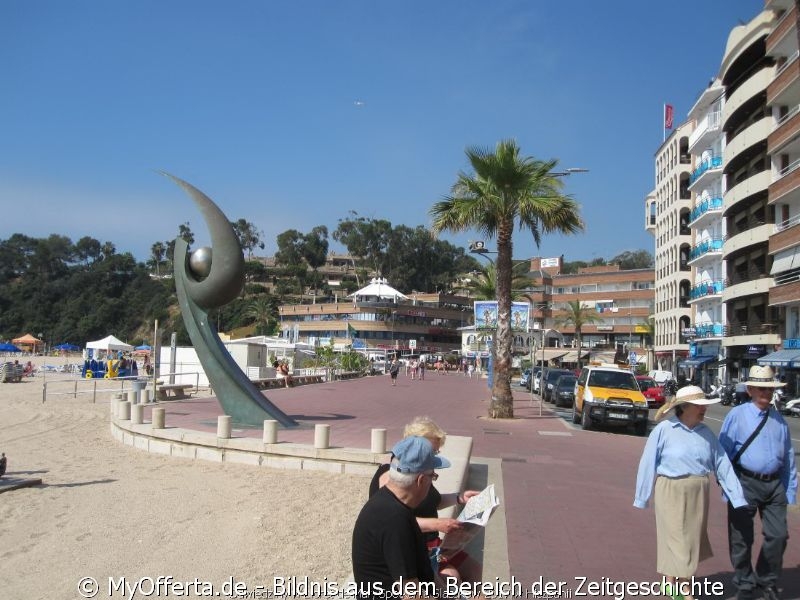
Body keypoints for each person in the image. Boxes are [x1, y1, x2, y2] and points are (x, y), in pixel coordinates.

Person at [634, 386, 747, 600]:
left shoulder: (706, 434)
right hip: (671, 489)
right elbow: (648, 463)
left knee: (691, 539)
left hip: (699, 491)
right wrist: (642, 496)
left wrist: (736, 495)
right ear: (684, 408)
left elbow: (722, 464)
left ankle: (669, 582)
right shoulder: (665, 430)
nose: (703, 410)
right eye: (698, 406)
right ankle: (686, 590)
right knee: (678, 538)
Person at [369, 417, 482, 584]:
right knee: (452, 578)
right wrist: (437, 524)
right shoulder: (393, 478)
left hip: (435, 545)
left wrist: (460, 498)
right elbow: (394, 521)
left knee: (474, 568)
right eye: (432, 451)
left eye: (436, 452)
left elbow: (432, 501)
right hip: (418, 547)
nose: (434, 457)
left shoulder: (422, 471)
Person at [719, 365, 798, 600]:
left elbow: (789, 459)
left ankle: (767, 580)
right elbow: (723, 453)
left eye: (769, 389)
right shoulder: (737, 415)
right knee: (741, 537)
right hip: (745, 482)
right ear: (751, 389)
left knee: (778, 535)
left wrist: (790, 492)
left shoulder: (779, 420)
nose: (766, 393)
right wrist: (728, 487)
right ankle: (744, 582)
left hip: (774, 486)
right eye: (761, 389)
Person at [352, 436, 449, 599]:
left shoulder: (393, 504)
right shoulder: (394, 519)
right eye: (433, 477)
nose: (432, 483)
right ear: (421, 480)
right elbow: (411, 595)